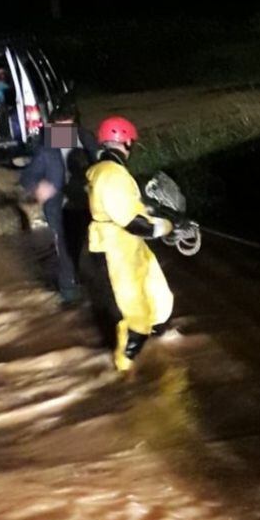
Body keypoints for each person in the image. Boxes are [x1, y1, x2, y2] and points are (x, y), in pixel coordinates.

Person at [86, 115, 174, 371]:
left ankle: (157, 335)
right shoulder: (112, 175)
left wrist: (147, 209)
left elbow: (123, 206)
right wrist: (166, 226)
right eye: (130, 143)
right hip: (118, 250)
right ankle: (123, 370)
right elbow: (135, 223)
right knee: (136, 316)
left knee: (157, 296)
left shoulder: (105, 171)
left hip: (128, 246)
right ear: (124, 142)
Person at [19, 103, 98, 305]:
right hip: (59, 207)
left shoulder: (85, 138)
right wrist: (38, 186)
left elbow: (102, 162)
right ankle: (69, 294)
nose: (63, 134)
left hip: (88, 203)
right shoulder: (45, 148)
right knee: (64, 248)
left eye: (68, 128)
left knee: (85, 245)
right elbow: (27, 176)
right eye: (59, 128)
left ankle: (83, 281)